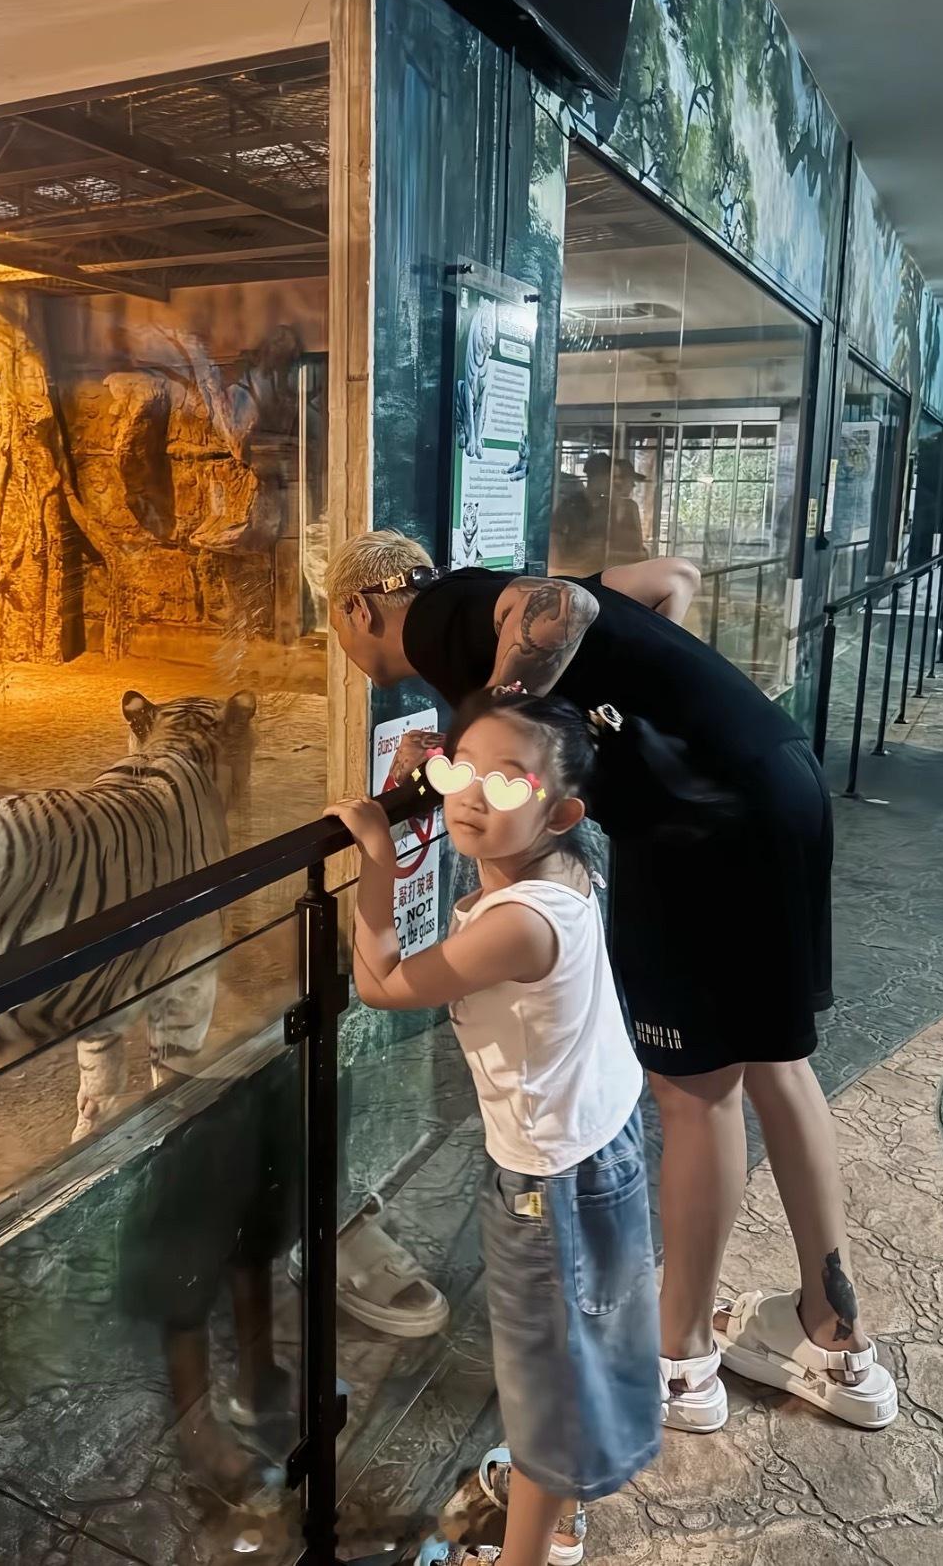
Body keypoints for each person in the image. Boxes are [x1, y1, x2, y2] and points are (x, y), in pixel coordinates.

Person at [324, 530, 898, 1436]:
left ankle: (679, 1364)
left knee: (695, 1092)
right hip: (773, 773)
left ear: (359, 609)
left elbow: (566, 609)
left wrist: (491, 723)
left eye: (338, 632)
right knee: (776, 1062)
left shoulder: (435, 620)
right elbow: (671, 579)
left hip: (697, 825)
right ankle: (836, 1338)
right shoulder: (482, 593)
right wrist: (625, 719)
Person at [327, 688, 660, 1566]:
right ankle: (558, 1508)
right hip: (599, 1143)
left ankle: (526, 1549)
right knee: (573, 1347)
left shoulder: (516, 923)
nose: (473, 796)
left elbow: (381, 984)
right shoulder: (563, 869)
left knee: (542, 1378)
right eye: (461, 771)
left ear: (562, 812)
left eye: (507, 782)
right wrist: (433, 780)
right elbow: (484, 824)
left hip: (550, 1179)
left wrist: (379, 858)